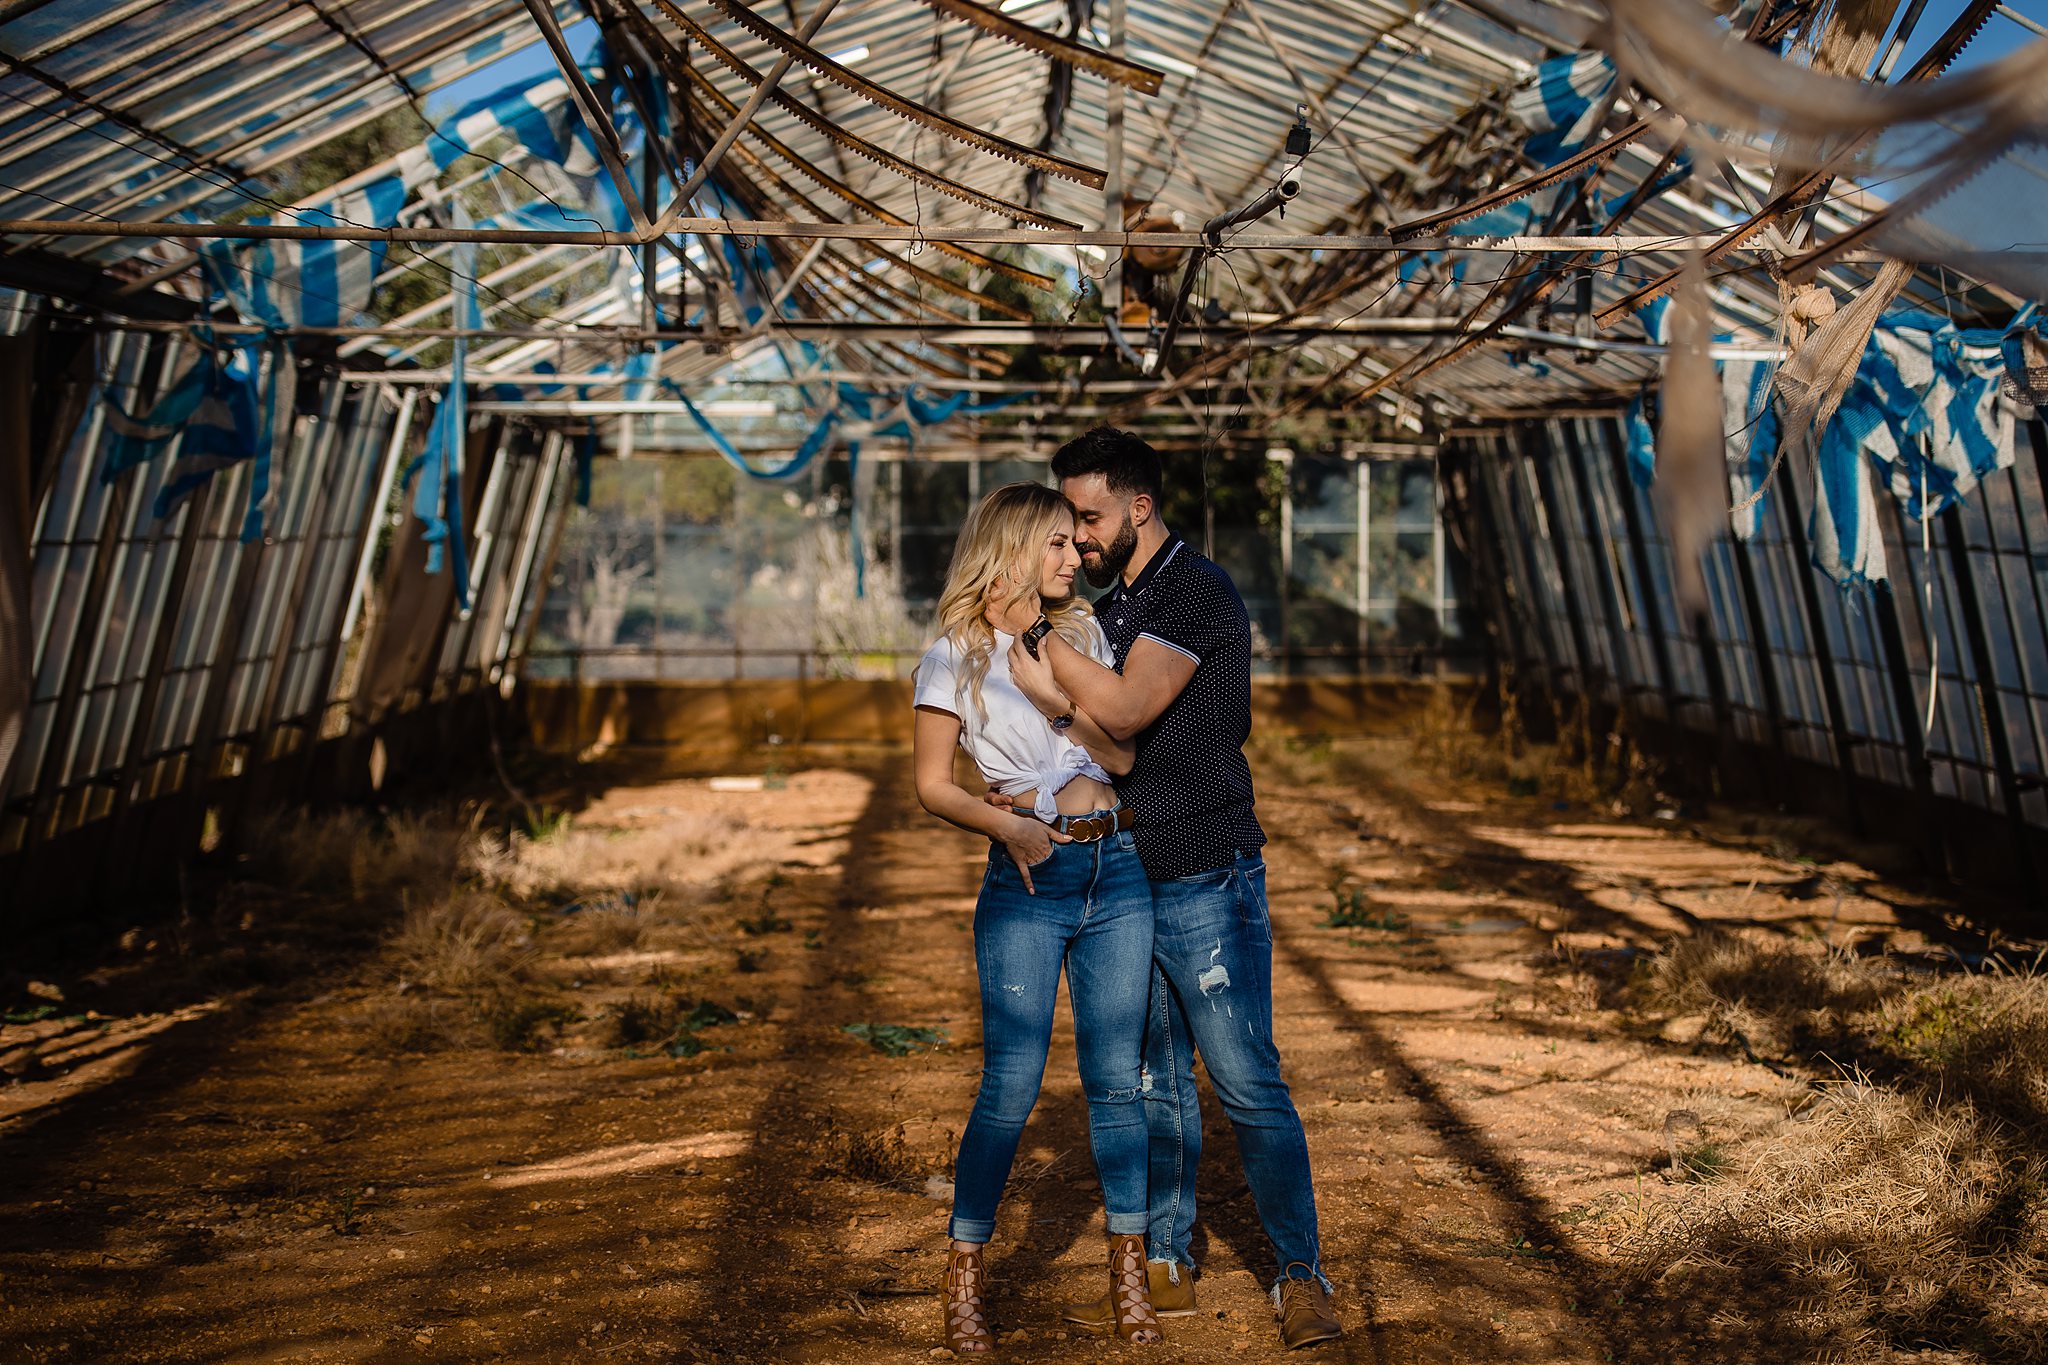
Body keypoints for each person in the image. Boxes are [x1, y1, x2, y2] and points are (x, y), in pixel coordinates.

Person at [997, 427, 1343, 1350]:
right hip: (1130, 880)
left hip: (1207, 873)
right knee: (1156, 1082)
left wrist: (1029, 635)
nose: (1078, 532)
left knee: (1245, 1080)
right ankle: (1167, 1260)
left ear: (1139, 506)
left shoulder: (1193, 593)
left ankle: (1301, 1272)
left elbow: (1125, 712)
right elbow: (1096, 746)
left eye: (1091, 513)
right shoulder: (1111, 610)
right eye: (1068, 515)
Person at [912, 481, 1165, 1353]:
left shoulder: (1086, 634)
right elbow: (933, 785)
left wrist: (1057, 694)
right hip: (1031, 876)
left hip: (1118, 866)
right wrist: (1009, 824)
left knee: (1114, 1082)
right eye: (1056, 544)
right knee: (1011, 1086)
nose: (1073, 557)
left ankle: (1127, 1263)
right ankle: (966, 1269)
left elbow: (1123, 753)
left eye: (1073, 542)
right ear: (1013, 547)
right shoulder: (953, 653)